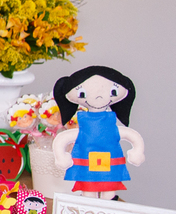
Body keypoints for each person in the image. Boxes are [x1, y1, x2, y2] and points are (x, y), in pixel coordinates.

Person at [52, 66, 145, 199]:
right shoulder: (87, 128)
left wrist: (138, 151)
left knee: (109, 189)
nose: (99, 96)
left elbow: (64, 138)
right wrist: (61, 156)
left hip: (107, 164)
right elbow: (64, 138)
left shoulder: (109, 128)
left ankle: (107, 203)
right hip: (89, 164)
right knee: (89, 189)